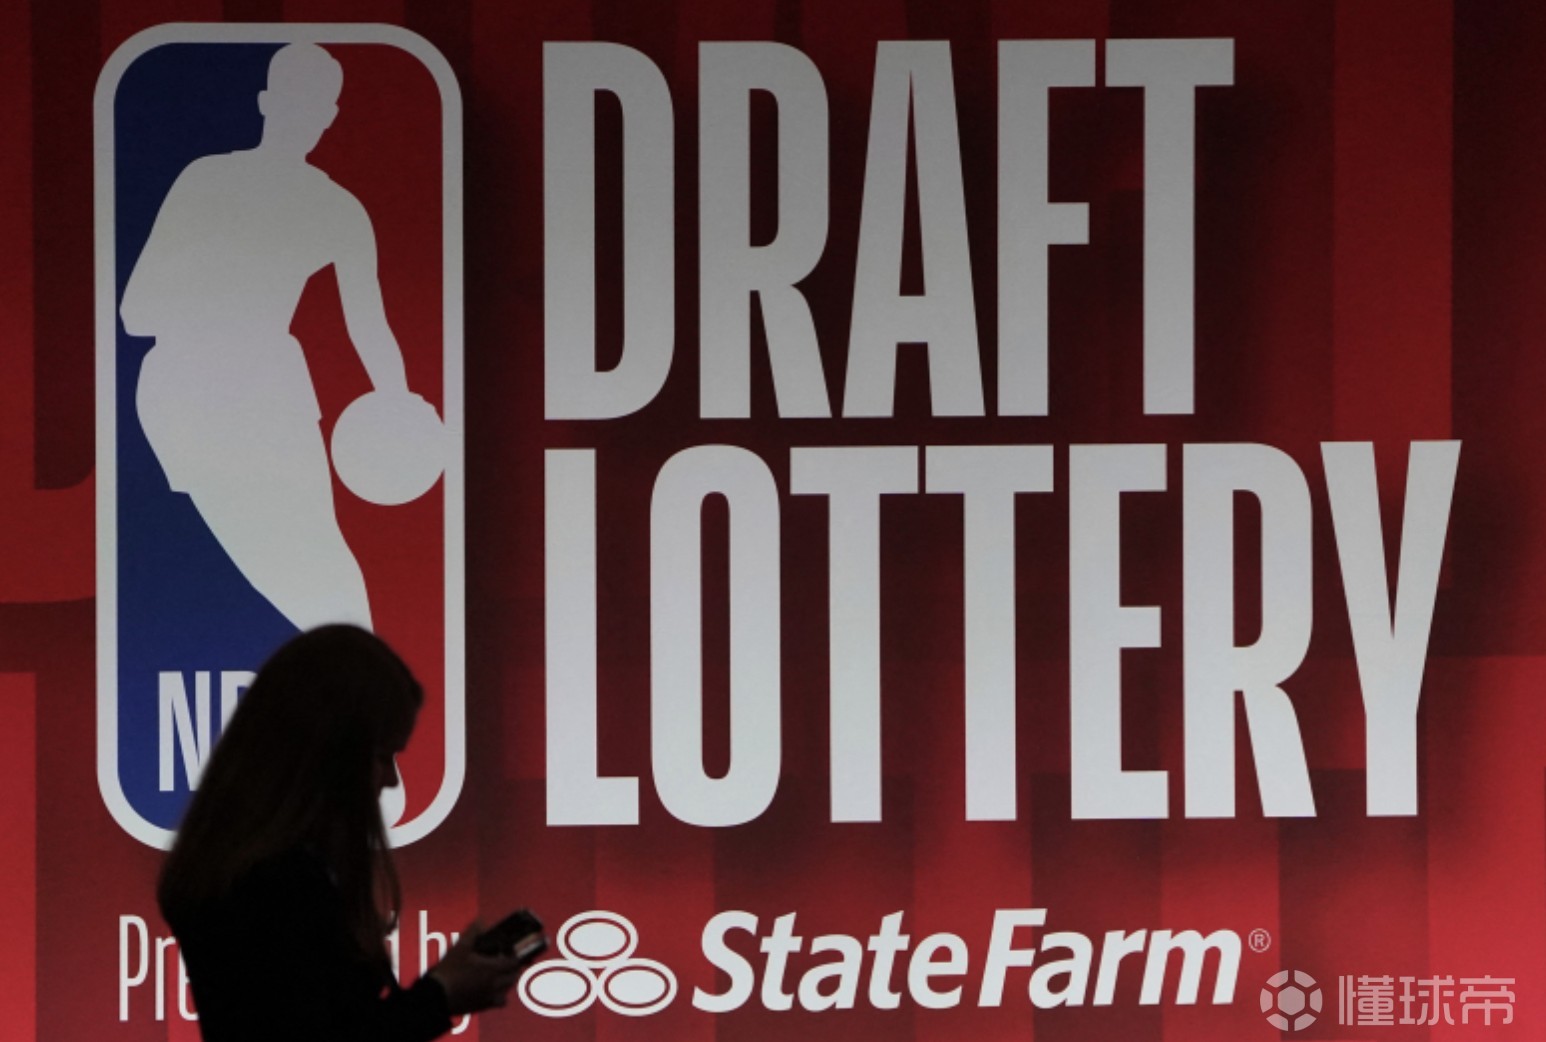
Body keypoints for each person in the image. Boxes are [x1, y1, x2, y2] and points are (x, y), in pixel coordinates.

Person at [121, 42, 432, 631]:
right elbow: (136, 311)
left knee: (320, 558)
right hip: (188, 391)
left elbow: (368, 325)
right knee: (284, 561)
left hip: (269, 388)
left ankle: (356, 672)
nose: (304, 117)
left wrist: (397, 399)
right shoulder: (207, 180)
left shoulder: (338, 209)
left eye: (314, 106)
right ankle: (346, 671)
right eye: (294, 101)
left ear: (329, 115)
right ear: (267, 102)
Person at [158, 626, 523, 1042]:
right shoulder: (277, 883)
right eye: (382, 756)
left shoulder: (248, 871)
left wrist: (440, 993)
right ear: (330, 752)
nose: (391, 779)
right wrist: (441, 995)